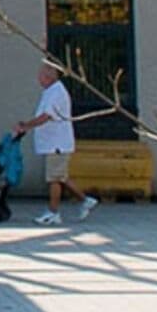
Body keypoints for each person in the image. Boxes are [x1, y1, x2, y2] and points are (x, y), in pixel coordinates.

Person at [16, 61, 99, 225]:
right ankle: (85, 200)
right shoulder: (51, 92)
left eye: (41, 76)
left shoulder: (56, 93)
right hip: (54, 143)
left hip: (57, 144)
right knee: (61, 176)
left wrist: (26, 126)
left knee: (54, 179)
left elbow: (46, 116)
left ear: (48, 77)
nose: (39, 79)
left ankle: (53, 212)